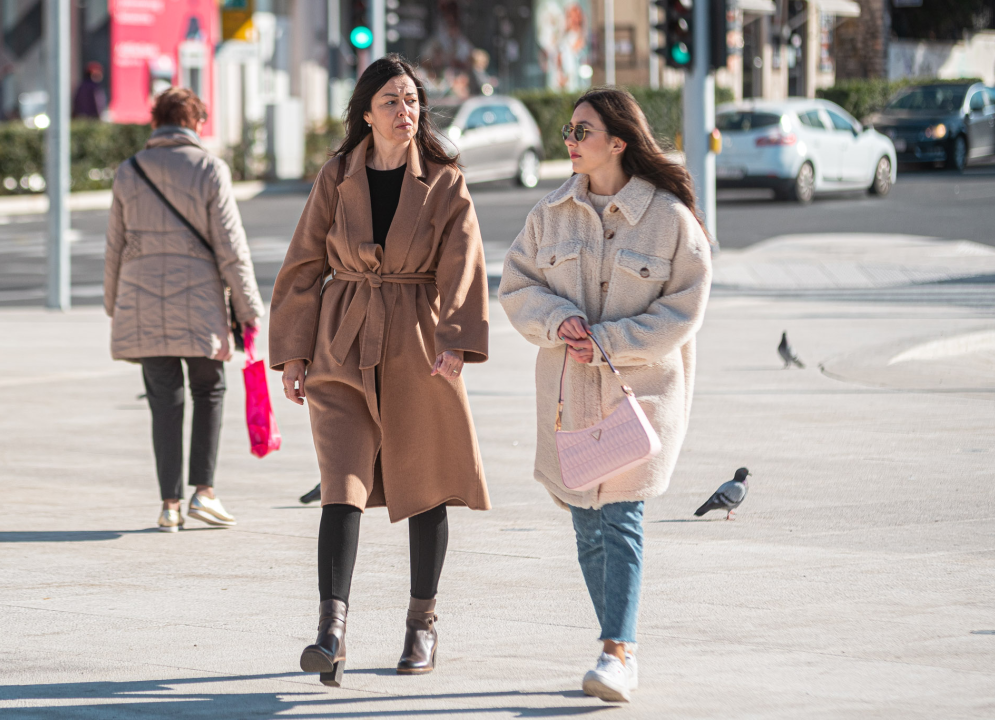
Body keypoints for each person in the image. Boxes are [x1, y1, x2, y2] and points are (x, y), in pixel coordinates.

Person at [269, 54, 490, 686]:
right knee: (341, 485)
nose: (405, 112)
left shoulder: (445, 180)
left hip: (418, 343)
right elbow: (303, 263)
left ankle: (422, 627)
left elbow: (464, 261)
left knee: (425, 480)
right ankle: (329, 631)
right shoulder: (337, 174)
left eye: (413, 101)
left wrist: (456, 339)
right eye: (391, 100)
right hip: (342, 342)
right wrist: (292, 352)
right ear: (365, 112)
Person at [499, 88, 712, 703]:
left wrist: (611, 341)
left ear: (618, 142)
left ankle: (618, 651)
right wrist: (557, 319)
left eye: (582, 130)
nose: (569, 137)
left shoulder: (669, 217)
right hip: (570, 397)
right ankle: (612, 642)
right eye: (569, 128)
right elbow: (517, 286)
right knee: (586, 526)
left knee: (622, 518)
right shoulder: (550, 214)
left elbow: (685, 307)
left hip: (639, 391)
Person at [104, 87, 264, 532]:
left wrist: (113, 301)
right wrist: (249, 306)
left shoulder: (129, 170)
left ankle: (169, 505)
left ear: (156, 123)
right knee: (209, 390)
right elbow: (231, 246)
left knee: (163, 400)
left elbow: (114, 244)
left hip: (139, 300)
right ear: (196, 123)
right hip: (200, 300)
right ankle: (204, 493)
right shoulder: (210, 168)